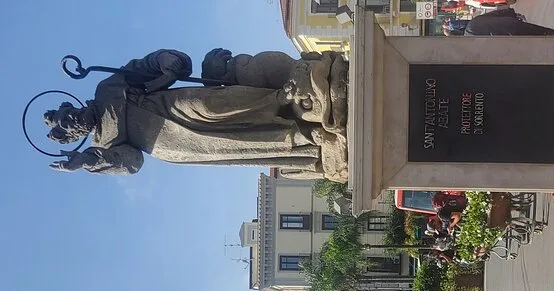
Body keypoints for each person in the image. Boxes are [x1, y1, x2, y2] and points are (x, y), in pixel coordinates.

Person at [44, 49, 349, 181]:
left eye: (67, 115)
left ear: (73, 106)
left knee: (216, 105)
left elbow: (144, 66)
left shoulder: (107, 89)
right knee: (239, 143)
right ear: (74, 136)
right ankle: (306, 137)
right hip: (171, 144)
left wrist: (165, 62)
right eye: (67, 127)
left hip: (171, 106)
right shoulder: (102, 147)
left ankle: (289, 98)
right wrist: (87, 161)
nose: (72, 121)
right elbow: (132, 162)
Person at [465, 8, 554, 36]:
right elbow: (495, 14)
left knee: (543, 39)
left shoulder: (471, 41)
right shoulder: (472, 23)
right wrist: (512, 13)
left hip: (512, 39)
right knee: (544, 32)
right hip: (511, 23)